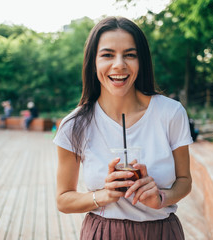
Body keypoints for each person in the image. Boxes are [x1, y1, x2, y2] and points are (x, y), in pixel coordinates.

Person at [53, 17, 193, 240]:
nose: (119, 64)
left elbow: (185, 181)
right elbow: (63, 199)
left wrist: (161, 197)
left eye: (130, 54)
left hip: (161, 232)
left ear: (141, 61)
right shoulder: (74, 125)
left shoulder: (171, 113)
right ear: (93, 62)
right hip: (103, 233)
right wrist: (103, 195)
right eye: (107, 55)